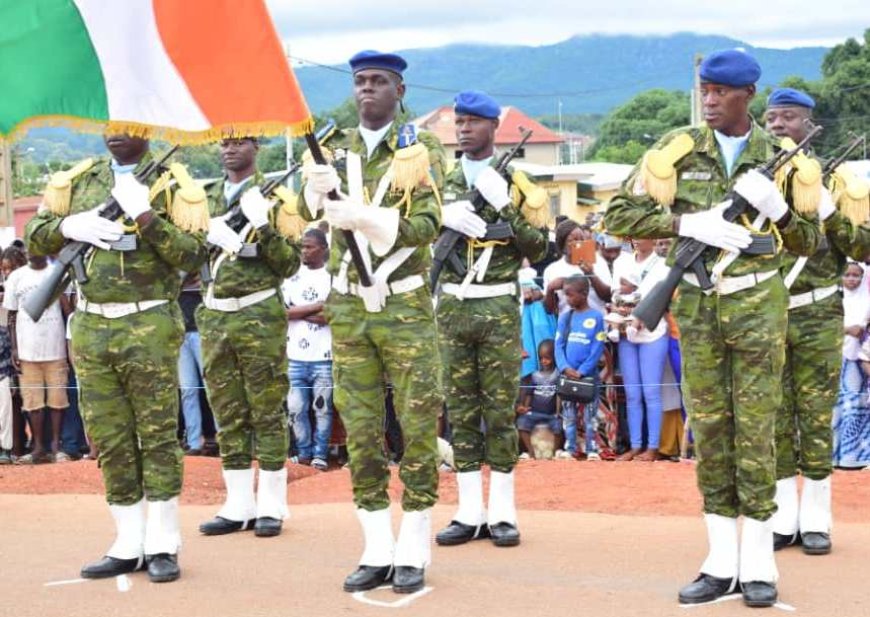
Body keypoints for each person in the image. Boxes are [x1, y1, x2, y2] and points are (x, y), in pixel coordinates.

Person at [605, 50, 821, 607]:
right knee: (712, 431)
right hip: (700, 310)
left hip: (758, 309)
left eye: (722, 91)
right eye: (705, 90)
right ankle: (721, 561)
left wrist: (778, 211)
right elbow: (619, 215)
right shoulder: (676, 150)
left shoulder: (785, 159)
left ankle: (760, 563)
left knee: (758, 433)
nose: (709, 100)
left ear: (749, 95)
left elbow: (811, 243)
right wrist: (686, 222)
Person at [26, 133, 209, 583]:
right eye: (110, 120)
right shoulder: (79, 181)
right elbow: (35, 233)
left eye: (128, 121)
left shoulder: (173, 184)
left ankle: (162, 541)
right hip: (92, 327)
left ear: (144, 126)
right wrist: (70, 226)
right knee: (110, 437)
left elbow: (194, 255)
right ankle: (128, 541)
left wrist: (146, 216)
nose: (117, 130)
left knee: (157, 435)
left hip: (148, 324)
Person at [298, 50, 446, 594]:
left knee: (416, 424)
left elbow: (428, 223)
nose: (367, 89)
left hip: (403, 305)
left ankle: (414, 545)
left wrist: (365, 217)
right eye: (360, 81)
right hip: (350, 307)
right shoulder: (332, 147)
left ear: (399, 91)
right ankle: (377, 546)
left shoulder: (420, 148)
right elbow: (303, 215)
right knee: (359, 429)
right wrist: (313, 191)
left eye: (379, 81)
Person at [433, 90, 548, 549]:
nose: (464, 129)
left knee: (499, 411)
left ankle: (502, 512)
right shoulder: (437, 181)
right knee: (460, 411)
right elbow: (414, 233)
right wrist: (442, 217)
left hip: (498, 307)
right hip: (452, 308)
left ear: (492, 128)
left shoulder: (519, 184)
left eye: (473, 122)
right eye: (459, 122)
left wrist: (505, 208)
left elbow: (540, 248)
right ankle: (468, 511)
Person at [764, 87, 870, 555]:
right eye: (771, 118)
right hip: (766, 313)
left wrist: (826, 206)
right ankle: (783, 517)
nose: (778, 125)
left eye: (788, 117)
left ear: (809, 123)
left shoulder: (842, 181)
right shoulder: (756, 177)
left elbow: (863, 247)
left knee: (814, 415)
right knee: (776, 416)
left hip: (818, 312)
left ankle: (816, 521)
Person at [197, 136, 301, 540]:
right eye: (224, 142)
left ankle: (272, 504)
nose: (230, 149)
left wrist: (262, 226)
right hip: (215, 316)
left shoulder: (279, 200)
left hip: (259, 315)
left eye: (240, 142)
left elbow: (290, 264)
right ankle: (238, 504)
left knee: (267, 408)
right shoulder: (200, 199)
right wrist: (205, 236)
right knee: (227, 409)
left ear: (257, 146)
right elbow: (180, 256)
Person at [3, 252, 71, 464]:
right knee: (33, 402)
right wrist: (15, 349)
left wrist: (69, 345)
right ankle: (38, 447)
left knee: (58, 400)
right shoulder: (16, 277)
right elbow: (12, 315)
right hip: (27, 350)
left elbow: (68, 311)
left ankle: (56, 447)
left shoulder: (57, 272)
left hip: (55, 347)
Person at [611, 239, 670, 462]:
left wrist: (640, 314)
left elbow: (662, 299)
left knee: (651, 393)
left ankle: (652, 447)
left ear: (653, 238)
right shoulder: (622, 261)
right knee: (632, 394)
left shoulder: (663, 265)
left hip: (653, 332)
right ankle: (635, 446)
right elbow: (615, 294)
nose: (636, 239)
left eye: (642, 234)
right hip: (625, 332)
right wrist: (618, 310)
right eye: (633, 234)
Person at [282, 227, 333, 471]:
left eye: (309, 247)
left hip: (324, 356)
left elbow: (330, 316)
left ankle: (320, 455)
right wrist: (317, 305)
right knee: (295, 409)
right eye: (302, 246)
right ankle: (303, 453)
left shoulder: (332, 277)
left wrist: (299, 311)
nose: (304, 251)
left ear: (323, 249)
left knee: (322, 409)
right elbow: (283, 312)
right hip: (295, 356)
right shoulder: (291, 277)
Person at [554, 276, 606, 459]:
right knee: (569, 415)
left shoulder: (597, 317)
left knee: (590, 416)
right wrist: (564, 367)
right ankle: (570, 448)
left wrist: (583, 370)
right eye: (565, 295)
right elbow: (558, 345)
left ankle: (592, 449)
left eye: (570, 295)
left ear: (584, 294)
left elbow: (597, 347)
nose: (567, 299)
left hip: (589, 376)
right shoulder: (565, 317)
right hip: (568, 375)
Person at [832, 262, 870, 468]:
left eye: (856, 275)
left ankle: (852, 458)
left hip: (862, 359)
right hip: (837, 356)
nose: (852, 279)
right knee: (836, 406)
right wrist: (848, 330)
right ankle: (832, 456)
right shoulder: (834, 299)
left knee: (856, 406)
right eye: (847, 275)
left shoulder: (867, 300)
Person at [543, 220, 610, 316]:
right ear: (562, 245)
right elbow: (549, 310)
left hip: (598, 323)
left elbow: (608, 297)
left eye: (582, 239)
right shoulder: (552, 270)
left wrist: (591, 274)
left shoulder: (598, 262)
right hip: (569, 324)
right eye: (572, 240)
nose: (579, 243)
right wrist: (550, 289)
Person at [177, 272, 206, 455]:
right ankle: (194, 442)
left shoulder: (204, 263)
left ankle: (225, 439)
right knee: (188, 389)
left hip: (202, 330)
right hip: (181, 331)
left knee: (212, 388)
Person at [516, 340, 562, 457]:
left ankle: (554, 452)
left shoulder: (557, 376)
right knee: (521, 423)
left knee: (559, 426)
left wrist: (558, 412)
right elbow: (529, 393)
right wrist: (526, 407)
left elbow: (559, 395)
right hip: (534, 412)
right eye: (541, 358)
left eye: (547, 358)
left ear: (554, 358)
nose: (544, 361)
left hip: (551, 414)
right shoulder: (535, 376)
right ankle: (531, 452)